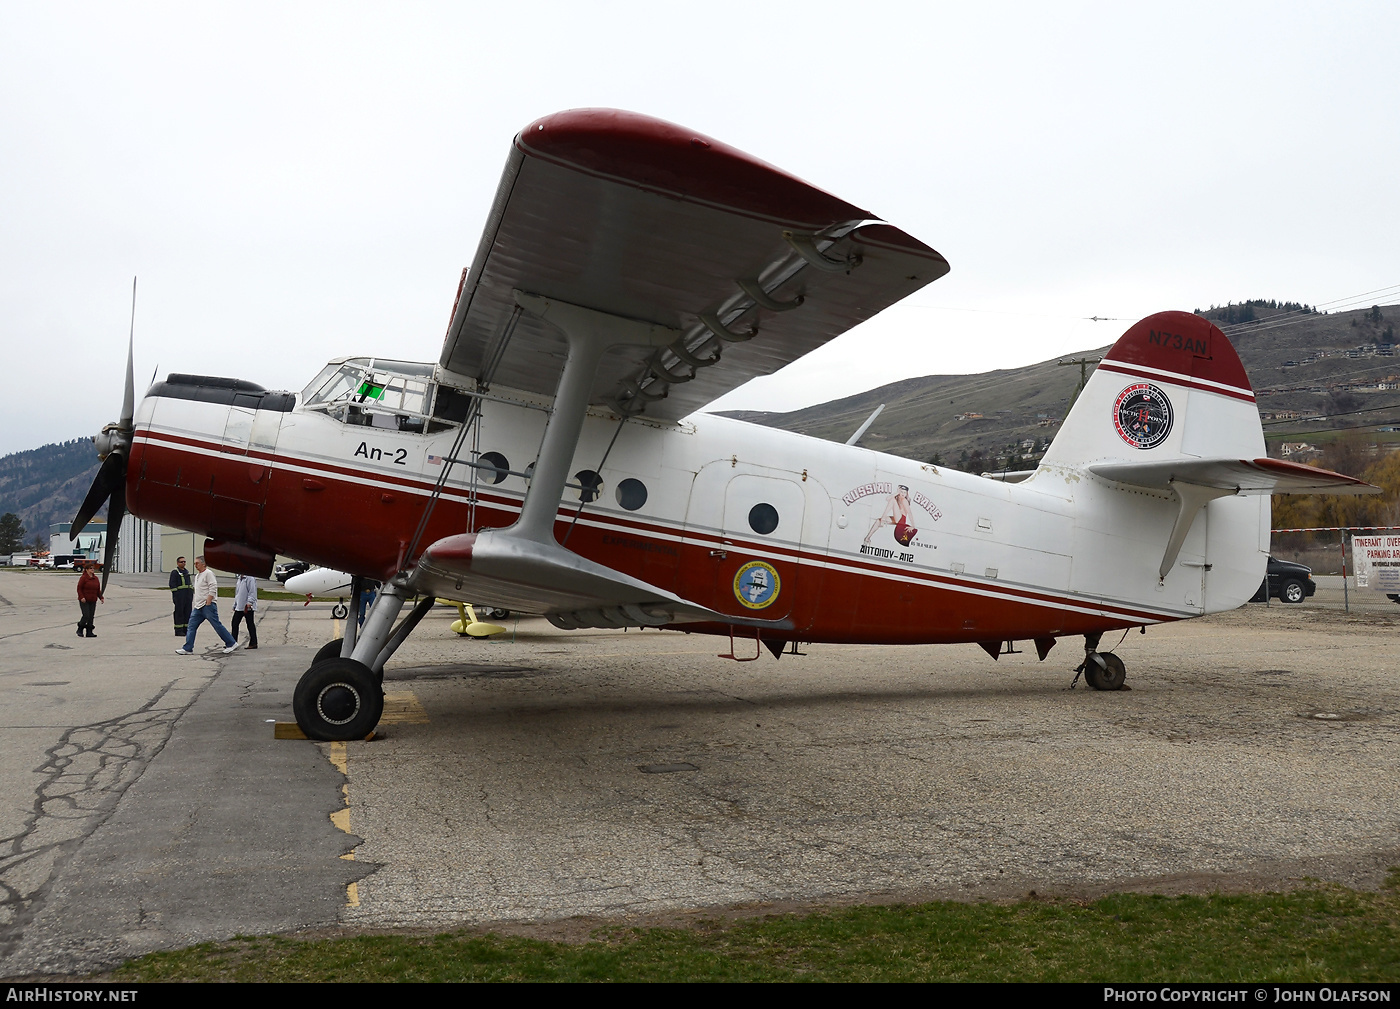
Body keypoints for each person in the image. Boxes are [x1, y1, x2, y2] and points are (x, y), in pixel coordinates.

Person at [176, 556, 240, 655]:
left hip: (207, 606)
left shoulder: (208, 574)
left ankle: (231, 643)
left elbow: (213, 587)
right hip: (198, 607)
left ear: (204, 564)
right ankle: (188, 648)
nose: (195, 565)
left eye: (197, 563)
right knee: (191, 626)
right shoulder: (197, 576)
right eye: (194, 563)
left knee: (217, 625)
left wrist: (209, 601)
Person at [231, 573, 259, 650]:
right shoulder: (240, 579)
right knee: (234, 623)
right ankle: (233, 642)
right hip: (240, 606)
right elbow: (237, 593)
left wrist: (249, 603)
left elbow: (252, 592)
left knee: (250, 624)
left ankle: (253, 642)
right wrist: (235, 604)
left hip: (247, 606)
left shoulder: (250, 578)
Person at [75, 562, 103, 637]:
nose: (92, 570)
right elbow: (79, 589)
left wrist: (101, 597)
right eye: (90, 568)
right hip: (84, 600)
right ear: (86, 570)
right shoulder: (83, 578)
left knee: (91, 616)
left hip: (93, 599)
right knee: (86, 615)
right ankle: (80, 628)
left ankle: (89, 632)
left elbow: (98, 589)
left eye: (93, 568)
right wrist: (81, 597)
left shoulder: (95, 578)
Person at [169, 556, 193, 637]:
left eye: (184, 562)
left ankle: (185, 629)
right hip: (180, 596)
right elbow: (172, 585)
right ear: (177, 563)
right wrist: (176, 596)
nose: (183, 563)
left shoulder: (186, 572)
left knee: (187, 612)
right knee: (179, 612)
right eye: (181, 562)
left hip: (187, 596)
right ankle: (178, 630)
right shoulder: (175, 572)